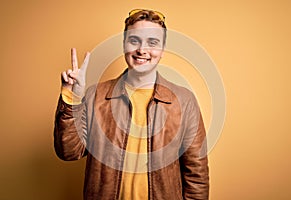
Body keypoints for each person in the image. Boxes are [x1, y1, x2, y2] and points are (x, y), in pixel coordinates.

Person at [54, 9, 209, 200]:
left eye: (152, 42)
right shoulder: (96, 95)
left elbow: (197, 176)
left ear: (162, 50)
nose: (142, 50)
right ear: (124, 44)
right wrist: (73, 97)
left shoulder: (185, 101)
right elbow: (69, 152)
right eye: (134, 40)